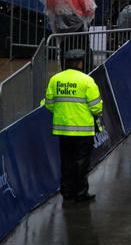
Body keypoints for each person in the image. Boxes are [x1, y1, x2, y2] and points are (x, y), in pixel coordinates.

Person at [43, 49, 102, 202]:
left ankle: (67, 191)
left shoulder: (55, 79)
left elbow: (49, 104)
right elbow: (96, 107)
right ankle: (80, 193)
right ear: (81, 62)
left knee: (66, 161)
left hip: (62, 130)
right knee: (81, 162)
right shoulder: (86, 81)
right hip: (83, 132)